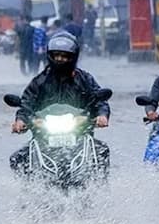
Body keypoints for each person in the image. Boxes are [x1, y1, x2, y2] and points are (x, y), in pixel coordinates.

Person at [9, 32, 110, 173]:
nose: (60, 59)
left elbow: (99, 101)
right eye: (56, 55)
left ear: (73, 57)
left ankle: (100, 188)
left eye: (64, 56)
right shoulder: (39, 81)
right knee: (17, 158)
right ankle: (27, 190)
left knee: (102, 151)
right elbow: (26, 104)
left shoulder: (85, 79)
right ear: (50, 55)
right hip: (44, 136)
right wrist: (20, 121)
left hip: (79, 133)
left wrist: (102, 116)